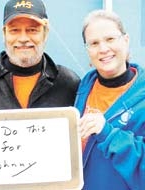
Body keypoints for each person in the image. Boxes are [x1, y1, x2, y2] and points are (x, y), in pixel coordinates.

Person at [75, 9, 145, 190]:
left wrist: (108, 133)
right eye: (94, 43)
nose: (103, 49)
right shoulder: (83, 88)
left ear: (126, 40)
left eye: (110, 39)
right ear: (87, 51)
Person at [0, 0, 80, 110]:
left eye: (32, 30)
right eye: (15, 30)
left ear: (45, 33)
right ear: (4, 34)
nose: (23, 39)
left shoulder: (69, 83)